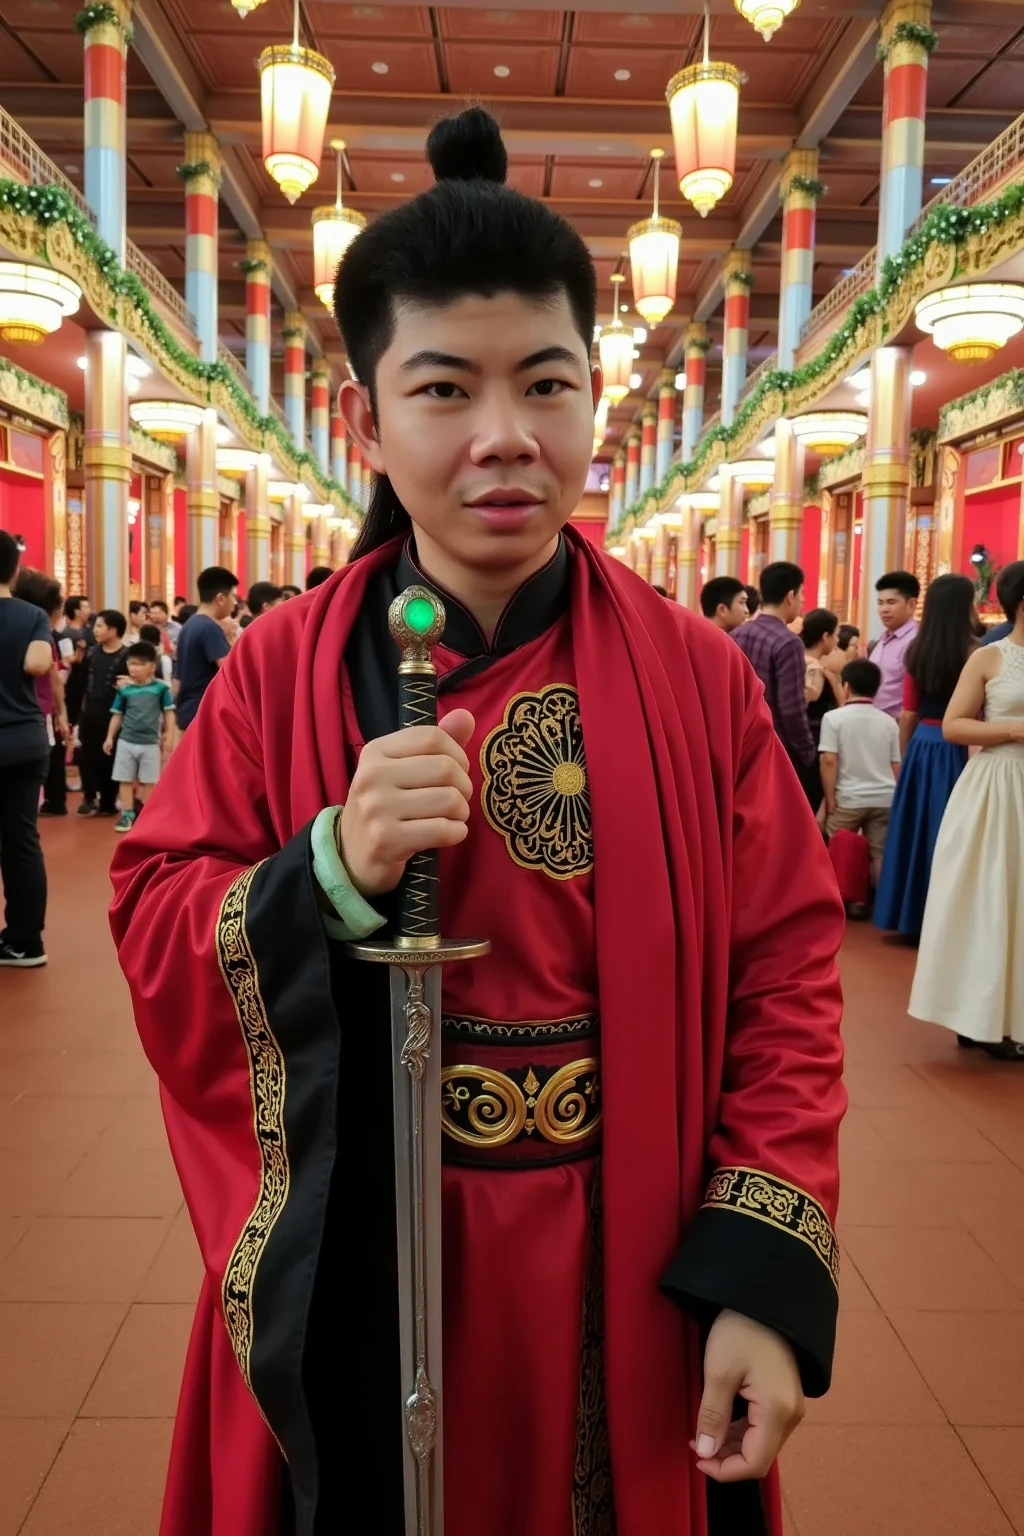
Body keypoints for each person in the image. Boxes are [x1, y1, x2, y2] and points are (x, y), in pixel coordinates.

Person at [110, 107, 845, 1536]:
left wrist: (763, 1268)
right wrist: (328, 865)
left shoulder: (696, 680)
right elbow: (153, 915)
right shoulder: (274, 672)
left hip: (628, 1248)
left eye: (548, 385)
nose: (506, 440)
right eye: (445, 390)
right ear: (365, 419)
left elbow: (789, 972)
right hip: (370, 1231)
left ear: (594, 400)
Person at [909, 560, 1024, 1061]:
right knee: (992, 898)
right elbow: (954, 725)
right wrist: (1015, 730)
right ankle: (979, 1017)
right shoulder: (990, 657)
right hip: (999, 784)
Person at [874, 574, 977, 940]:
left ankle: (907, 916)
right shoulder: (976, 651)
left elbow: (907, 715)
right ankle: (949, 922)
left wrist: (905, 757)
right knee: (951, 832)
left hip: (921, 745)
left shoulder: (917, 652)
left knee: (913, 831)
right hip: (961, 746)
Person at [0, 532, 53, 967]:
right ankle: (25, 940)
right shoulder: (32, 614)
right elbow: (37, 664)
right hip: (25, 741)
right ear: (15, 571)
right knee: (21, 840)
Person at [819, 659, 901, 889]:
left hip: (849, 797)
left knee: (837, 845)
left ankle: (842, 897)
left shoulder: (834, 718)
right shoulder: (889, 722)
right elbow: (896, 764)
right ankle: (880, 903)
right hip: (885, 797)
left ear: (846, 686)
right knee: (880, 852)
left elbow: (828, 760)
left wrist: (830, 798)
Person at [732, 561, 814, 772]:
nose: (802, 601)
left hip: (737, 744)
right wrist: (806, 752)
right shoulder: (788, 642)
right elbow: (791, 707)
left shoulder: (736, 634)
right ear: (790, 596)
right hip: (775, 749)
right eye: (801, 594)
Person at [104, 640, 176, 833]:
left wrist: (168, 736)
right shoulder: (124, 689)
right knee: (124, 779)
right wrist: (110, 737)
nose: (132, 669)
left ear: (151, 667)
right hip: (126, 741)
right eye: (130, 664)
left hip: (150, 743)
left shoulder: (161, 689)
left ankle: (146, 814)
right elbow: (117, 715)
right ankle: (127, 813)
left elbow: (169, 713)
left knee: (149, 781)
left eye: (138, 664)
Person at [16, 570, 71, 817]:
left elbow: (53, 677)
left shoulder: (36, 631)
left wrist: (61, 714)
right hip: (34, 715)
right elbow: (53, 677)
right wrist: (62, 714)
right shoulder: (40, 631)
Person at [172, 567, 237, 730]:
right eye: (233, 596)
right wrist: (233, 639)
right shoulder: (210, 628)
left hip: (188, 710)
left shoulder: (189, 625)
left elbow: (177, 679)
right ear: (221, 598)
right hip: (204, 711)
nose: (235, 603)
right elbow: (230, 670)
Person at [78, 609, 128, 818]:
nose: (94, 630)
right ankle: (89, 798)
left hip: (113, 715)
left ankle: (108, 801)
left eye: (99, 626)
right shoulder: (91, 653)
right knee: (85, 756)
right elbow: (80, 683)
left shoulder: (127, 656)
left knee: (109, 757)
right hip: (89, 712)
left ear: (113, 630)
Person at [798, 609, 840, 814]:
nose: (837, 640)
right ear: (825, 636)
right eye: (836, 634)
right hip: (813, 742)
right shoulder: (815, 669)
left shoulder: (793, 658)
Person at [872, 571, 919, 719]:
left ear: (911, 604)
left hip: (898, 725)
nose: (884, 609)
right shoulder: (881, 641)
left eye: (891, 602)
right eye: (880, 603)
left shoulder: (915, 641)